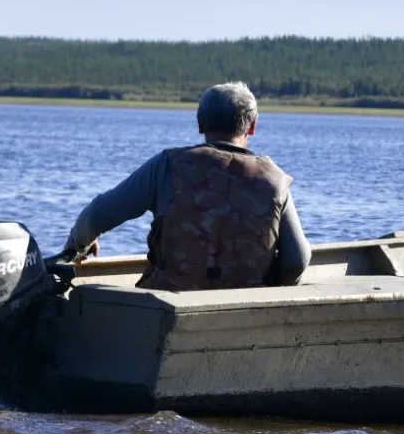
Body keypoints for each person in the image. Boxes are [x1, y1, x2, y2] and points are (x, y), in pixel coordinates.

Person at [62, 82, 311, 290]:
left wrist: (77, 245)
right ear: (253, 126)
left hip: (168, 303)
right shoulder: (274, 180)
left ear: (200, 123)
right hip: (243, 309)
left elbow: (99, 213)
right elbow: (297, 261)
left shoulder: (167, 165)